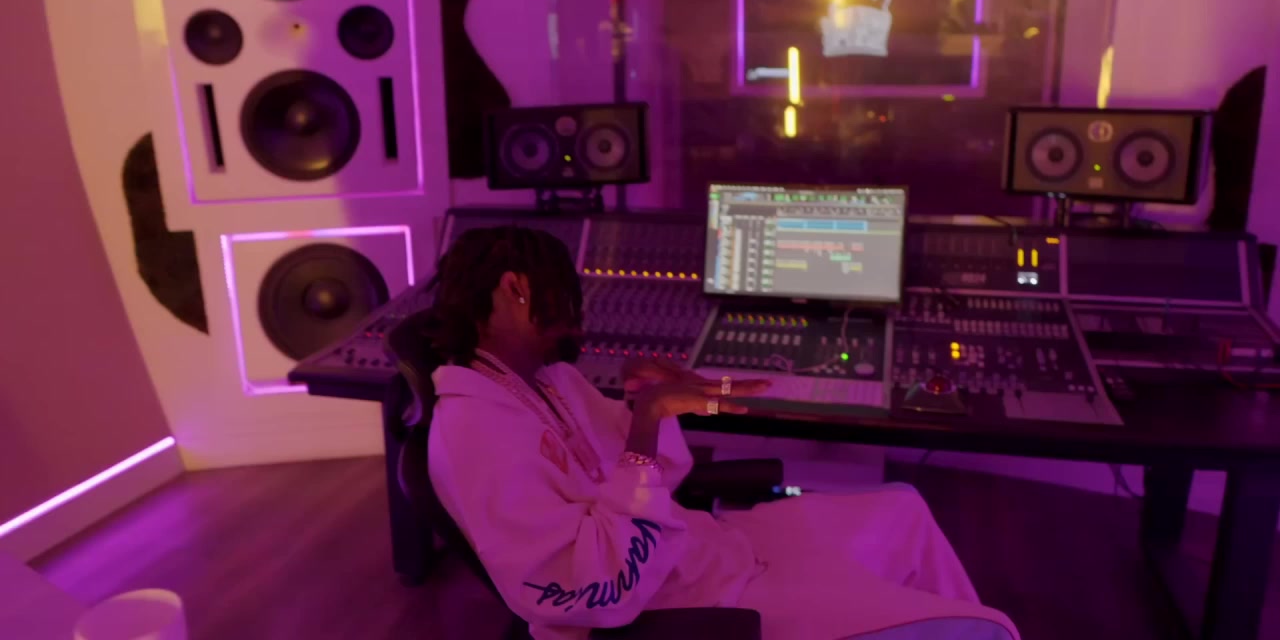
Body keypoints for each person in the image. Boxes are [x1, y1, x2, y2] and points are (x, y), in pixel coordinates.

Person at [415, 226, 1020, 640]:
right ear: (517, 289)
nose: (570, 325)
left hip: (711, 550)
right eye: (562, 302)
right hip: (692, 603)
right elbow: (597, 588)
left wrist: (656, 402)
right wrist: (647, 420)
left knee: (905, 510)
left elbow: (652, 475)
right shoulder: (473, 435)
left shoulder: (547, 382)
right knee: (986, 628)